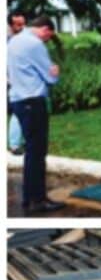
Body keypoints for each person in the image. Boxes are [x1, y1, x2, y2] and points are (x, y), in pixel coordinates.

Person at [8, 17, 64, 214]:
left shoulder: (13, 40)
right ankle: (38, 201)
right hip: (33, 100)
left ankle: (28, 198)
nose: (49, 39)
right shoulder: (35, 44)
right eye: (49, 34)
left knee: (31, 152)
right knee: (37, 153)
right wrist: (55, 73)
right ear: (44, 29)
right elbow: (50, 76)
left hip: (18, 100)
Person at [7, 11, 26, 155]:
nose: (22, 27)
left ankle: (22, 140)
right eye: (18, 24)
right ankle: (14, 144)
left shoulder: (22, 37)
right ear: (11, 24)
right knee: (18, 111)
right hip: (11, 80)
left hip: (20, 78)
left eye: (23, 24)